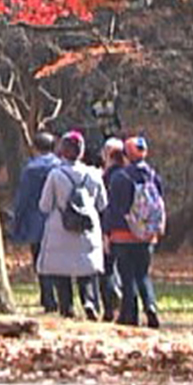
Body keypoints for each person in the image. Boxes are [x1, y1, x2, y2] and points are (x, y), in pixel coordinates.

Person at [38, 131, 106, 318]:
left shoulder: (55, 175)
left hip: (61, 228)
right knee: (86, 270)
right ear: (82, 152)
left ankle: (66, 307)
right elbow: (103, 204)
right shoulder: (93, 175)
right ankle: (89, 302)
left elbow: (44, 205)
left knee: (62, 271)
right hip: (87, 229)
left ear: (63, 150)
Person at [104, 136, 164, 328]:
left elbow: (113, 209)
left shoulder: (120, 178)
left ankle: (129, 315)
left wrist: (107, 233)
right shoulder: (153, 176)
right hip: (147, 235)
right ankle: (151, 307)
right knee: (143, 274)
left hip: (123, 235)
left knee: (127, 276)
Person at [10, 132, 60, 312]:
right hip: (59, 221)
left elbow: (23, 198)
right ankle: (63, 297)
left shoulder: (31, 170)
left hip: (36, 222)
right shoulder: (60, 167)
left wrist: (17, 220)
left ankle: (48, 299)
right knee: (59, 261)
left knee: (40, 261)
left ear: (35, 148)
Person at [98, 137, 127, 318]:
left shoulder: (104, 177)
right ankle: (124, 304)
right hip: (129, 230)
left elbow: (102, 206)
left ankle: (109, 307)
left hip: (107, 229)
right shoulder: (128, 175)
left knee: (106, 269)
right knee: (125, 270)